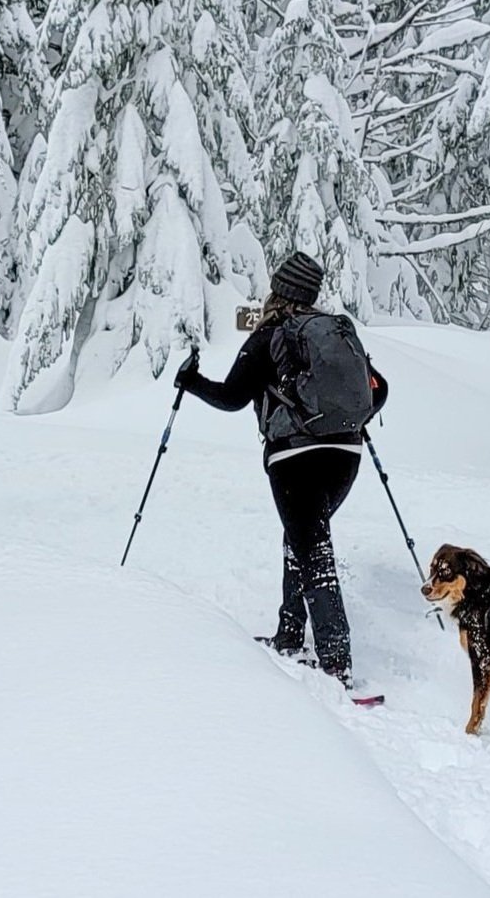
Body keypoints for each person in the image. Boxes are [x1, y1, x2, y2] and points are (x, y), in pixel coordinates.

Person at [173, 251, 384, 689]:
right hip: (346, 457)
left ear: (279, 290)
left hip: (293, 459)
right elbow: (379, 389)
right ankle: (290, 632)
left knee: (313, 552)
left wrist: (190, 381)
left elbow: (231, 397)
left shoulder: (269, 335)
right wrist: (346, 418)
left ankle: (336, 664)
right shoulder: (336, 335)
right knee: (303, 539)